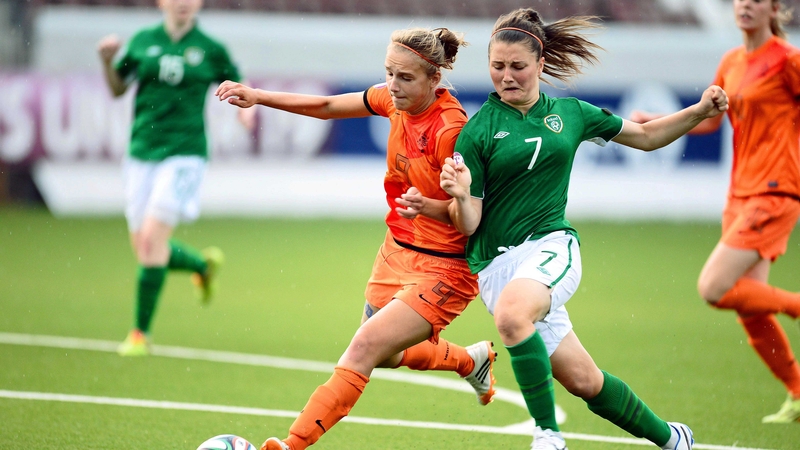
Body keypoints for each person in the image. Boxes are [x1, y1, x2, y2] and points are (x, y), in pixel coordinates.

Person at [439, 8, 729, 450]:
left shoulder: (572, 113)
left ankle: (548, 437)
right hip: (497, 270)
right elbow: (470, 223)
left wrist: (699, 111)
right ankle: (673, 439)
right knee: (584, 381)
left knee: (513, 316)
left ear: (540, 64)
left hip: (550, 247)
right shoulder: (477, 131)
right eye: (497, 66)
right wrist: (460, 196)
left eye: (518, 66)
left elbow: (646, 137)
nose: (506, 76)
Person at [216, 27, 497, 450]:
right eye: (389, 73)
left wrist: (433, 205)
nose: (393, 86)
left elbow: (470, 221)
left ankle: (290, 445)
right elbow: (328, 106)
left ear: (434, 79)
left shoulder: (451, 131)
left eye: (406, 77)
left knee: (364, 346)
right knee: (385, 353)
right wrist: (259, 96)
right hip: (397, 250)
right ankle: (469, 360)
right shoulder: (392, 100)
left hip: (446, 267)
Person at [634, 0, 800, 425]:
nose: (745, 5)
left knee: (714, 287)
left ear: (774, 9)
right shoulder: (732, 61)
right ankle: (799, 393)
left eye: (757, 0)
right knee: (749, 307)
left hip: (775, 192)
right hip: (739, 195)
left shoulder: (788, 60)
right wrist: (655, 119)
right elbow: (710, 120)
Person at [97, 0, 253, 356]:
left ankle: (140, 334)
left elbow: (238, 79)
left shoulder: (210, 48)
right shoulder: (143, 41)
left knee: (151, 242)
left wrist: (247, 110)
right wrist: (107, 62)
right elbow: (118, 88)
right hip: (141, 151)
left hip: (185, 153)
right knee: (146, 248)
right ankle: (201, 265)